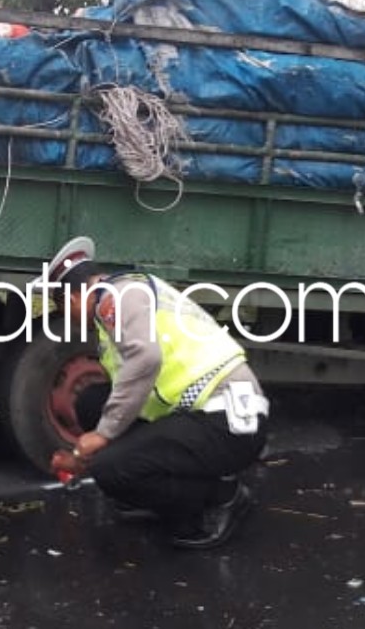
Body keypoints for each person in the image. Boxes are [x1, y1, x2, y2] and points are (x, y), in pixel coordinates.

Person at [43, 236, 269, 550]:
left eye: (60, 306)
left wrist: (102, 437)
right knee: (92, 403)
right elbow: (133, 387)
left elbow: (146, 359)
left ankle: (222, 497)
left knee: (111, 469)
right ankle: (157, 491)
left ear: (72, 299)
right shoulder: (121, 296)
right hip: (207, 413)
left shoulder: (118, 300)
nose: (65, 314)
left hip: (229, 422)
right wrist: (95, 446)